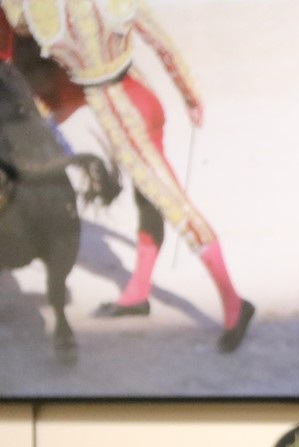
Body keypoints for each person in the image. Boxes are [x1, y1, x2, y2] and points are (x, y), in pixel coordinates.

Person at [2, 0, 254, 352]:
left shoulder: (39, 10)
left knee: (174, 206)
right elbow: (163, 46)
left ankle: (235, 305)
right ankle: (138, 292)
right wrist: (190, 97)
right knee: (150, 197)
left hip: (120, 115)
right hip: (142, 93)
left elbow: (15, 28)